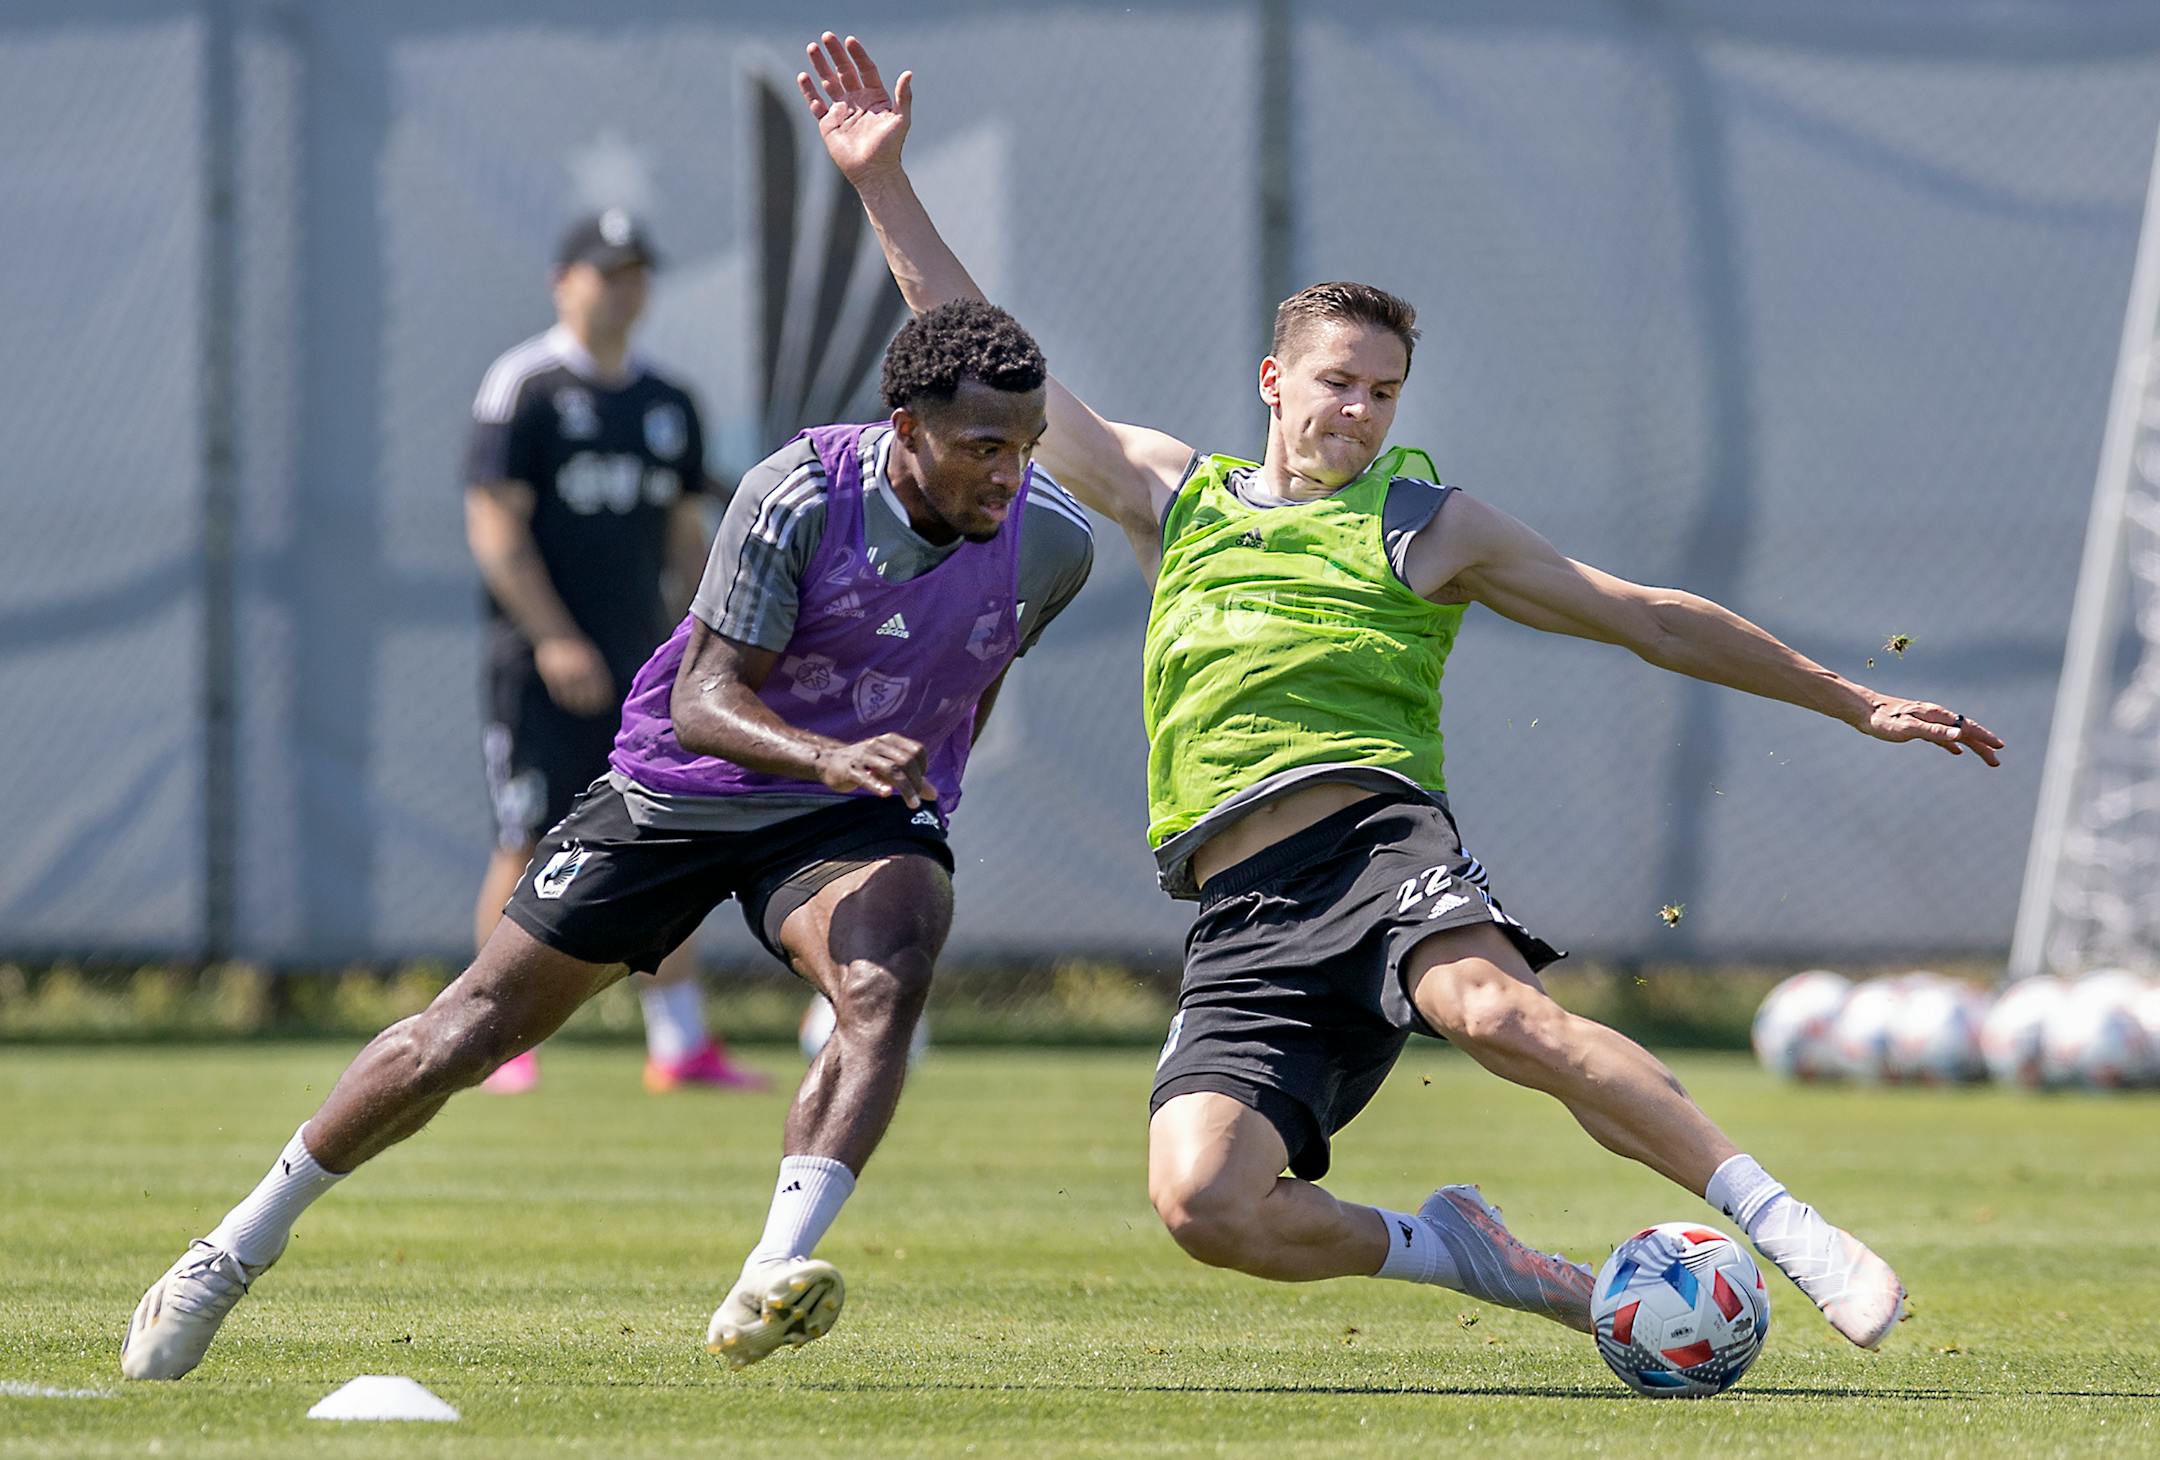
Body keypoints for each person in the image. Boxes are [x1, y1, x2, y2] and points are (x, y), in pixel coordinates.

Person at [800, 32, 2006, 1351]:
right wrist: (880, 185)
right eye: (1338, 385)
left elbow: (1642, 618)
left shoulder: (1422, 524)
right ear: (1276, 382)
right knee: (1206, 1202)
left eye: (1384, 393)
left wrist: (1851, 699)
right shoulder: (1176, 497)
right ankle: (1470, 1256)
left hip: (1374, 840)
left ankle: (1789, 1228)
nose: (1360, 413)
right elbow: (988, 362)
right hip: (1239, 906)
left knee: (1488, 1012)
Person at [120, 298, 1095, 1380]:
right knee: (469, 1030)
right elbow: (703, 700)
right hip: (686, 786)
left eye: (1026, 448)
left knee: (890, 964)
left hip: (845, 809)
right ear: (907, 430)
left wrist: (916, 789)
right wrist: (831, 755)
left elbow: (979, 659)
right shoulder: (800, 494)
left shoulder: (1053, 541)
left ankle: (772, 1268)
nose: (1007, 476)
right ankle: (232, 1245)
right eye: (982, 448)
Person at [464, 208, 762, 1094]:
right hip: (538, 665)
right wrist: (554, 636)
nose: (623, 288)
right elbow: (493, 528)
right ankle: (494, 1037)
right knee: (524, 840)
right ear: (564, 281)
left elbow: (683, 537)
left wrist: (698, 649)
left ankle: (678, 1044)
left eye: (636, 271)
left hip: (645, 665)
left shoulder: (667, 404)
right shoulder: (525, 386)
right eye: (605, 270)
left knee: (665, 837)